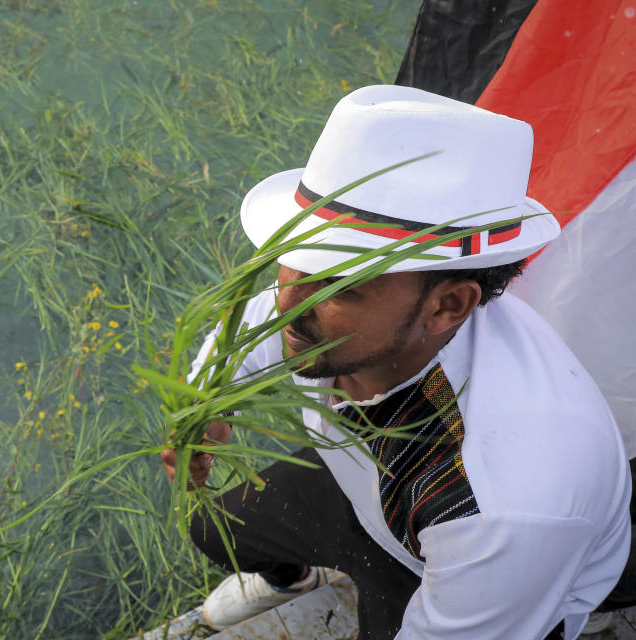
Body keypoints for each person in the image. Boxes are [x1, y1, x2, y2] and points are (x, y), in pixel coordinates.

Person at [160, 85, 632, 639]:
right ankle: (296, 578)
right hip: (363, 492)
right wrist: (209, 401)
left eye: (338, 285)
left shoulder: (506, 504)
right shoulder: (323, 319)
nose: (287, 304)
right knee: (214, 529)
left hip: (460, 571)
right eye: (291, 258)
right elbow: (244, 334)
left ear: (447, 306)